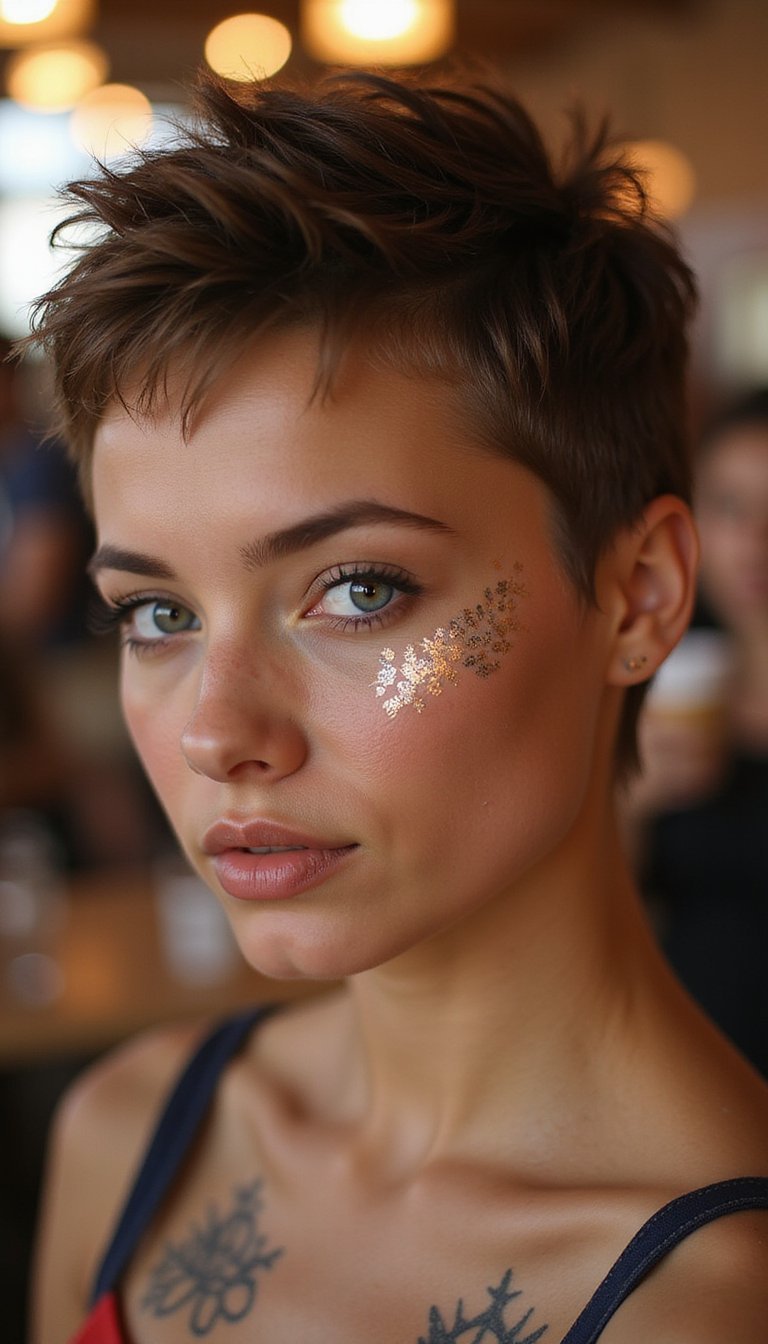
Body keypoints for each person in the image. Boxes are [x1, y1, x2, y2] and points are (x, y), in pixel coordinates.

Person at [27, 70, 768, 1344]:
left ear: (638, 596)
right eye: (158, 613)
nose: (216, 733)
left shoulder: (713, 1301)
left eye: (357, 590)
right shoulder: (129, 1135)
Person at [631, 390, 768, 1076]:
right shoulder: (661, 684)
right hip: (688, 1072)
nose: (756, 541)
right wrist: (634, 801)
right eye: (731, 507)